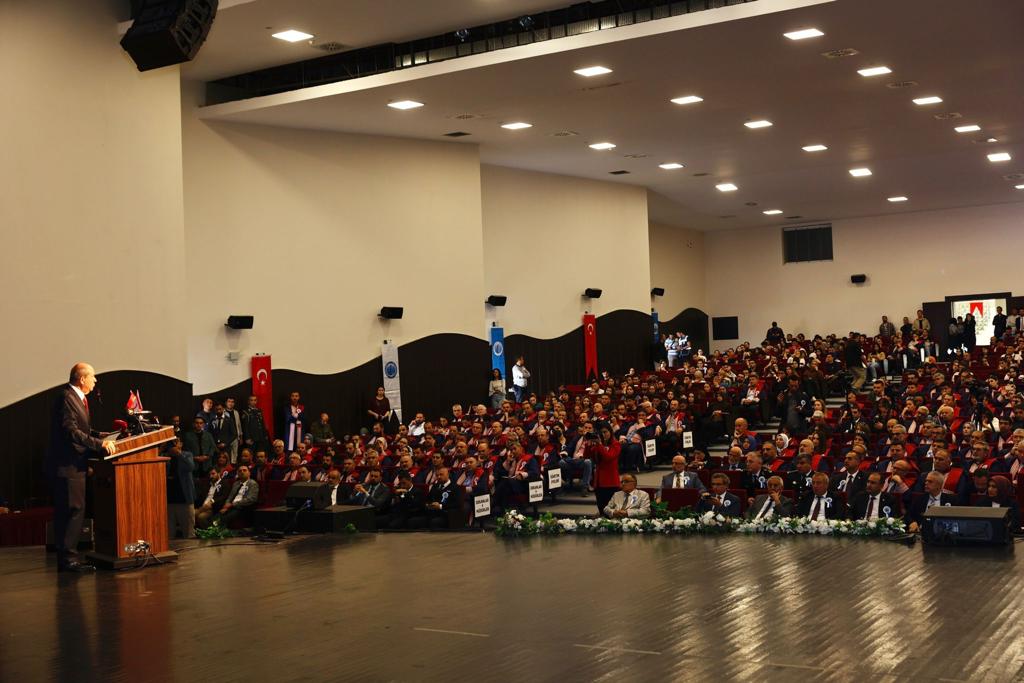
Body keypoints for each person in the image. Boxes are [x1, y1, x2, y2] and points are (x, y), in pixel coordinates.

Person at [46, 362, 118, 572]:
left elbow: (81, 428)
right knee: (72, 511)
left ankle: (69, 558)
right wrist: (99, 444)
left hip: (76, 465)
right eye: (93, 376)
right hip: (68, 466)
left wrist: (99, 435)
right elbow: (70, 431)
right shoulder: (67, 397)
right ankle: (68, 560)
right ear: (82, 378)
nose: (95, 380)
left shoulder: (77, 398)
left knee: (75, 510)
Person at [586, 425, 622, 515]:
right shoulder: (598, 445)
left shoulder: (616, 444)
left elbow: (608, 457)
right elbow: (586, 456)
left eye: (605, 432)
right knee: (601, 508)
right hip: (599, 481)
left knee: (611, 510)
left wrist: (599, 444)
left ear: (610, 432)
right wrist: (588, 445)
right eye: (601, 433)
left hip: (611, 481)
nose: (603, 434)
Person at [166, 437, 196, 539]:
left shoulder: (187, 454)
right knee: (169, 532)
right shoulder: (165, 457)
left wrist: (179, 454)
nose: (174, 445)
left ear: (181, 444)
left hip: (184, 497)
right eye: (171, 443)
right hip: (169, 498)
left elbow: (190, 466)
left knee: (188, 531)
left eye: (176, 442)